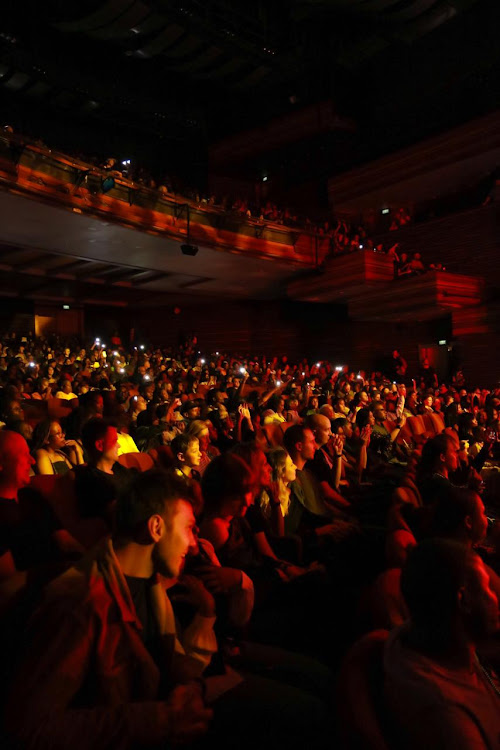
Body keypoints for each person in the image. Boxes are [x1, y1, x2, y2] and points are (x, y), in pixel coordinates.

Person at [5, 471, 215, 749]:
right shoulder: (80, 604)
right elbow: (29, 730)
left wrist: (191, 688)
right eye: (188, 527)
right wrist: (155, 720)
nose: (193, 543)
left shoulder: (152, 588)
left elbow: (168, 665)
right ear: (156, 527)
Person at [384, 538, 500, 750]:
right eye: (488, 588)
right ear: (463, 600)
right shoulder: (449, 717)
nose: (496, 599)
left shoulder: (432, 635)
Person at [74, 418, 131, 524]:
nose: (119, 446)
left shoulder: (117, 468)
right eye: (114, 441)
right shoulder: (90, 480)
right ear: (100, 446)